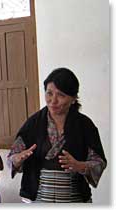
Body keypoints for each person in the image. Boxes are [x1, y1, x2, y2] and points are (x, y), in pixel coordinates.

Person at [7, 67, 107, 203]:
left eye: (61, 95)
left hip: (75, 200)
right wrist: (18, 159)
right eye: (49, 93)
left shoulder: (85, 125)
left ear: (73, 98)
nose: (53, 101)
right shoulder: (33, 124)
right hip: (39, 199)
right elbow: (12, 158)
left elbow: (99, 162)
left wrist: (79, 165)